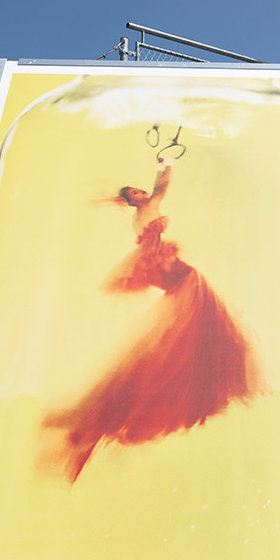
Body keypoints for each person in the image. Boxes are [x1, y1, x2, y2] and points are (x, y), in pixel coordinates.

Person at [42, 160, 262, 482]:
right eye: (135, 192)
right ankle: (207, 347)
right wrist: (165, 163)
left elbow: (156, 191)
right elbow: (161, 188)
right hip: (157, 261)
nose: (141, 191)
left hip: (159, 263)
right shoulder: (145, 208)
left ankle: (90, 432)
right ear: (133, 199)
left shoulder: (141, 213)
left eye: (138, 188)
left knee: (195, 291)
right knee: (196, 286)